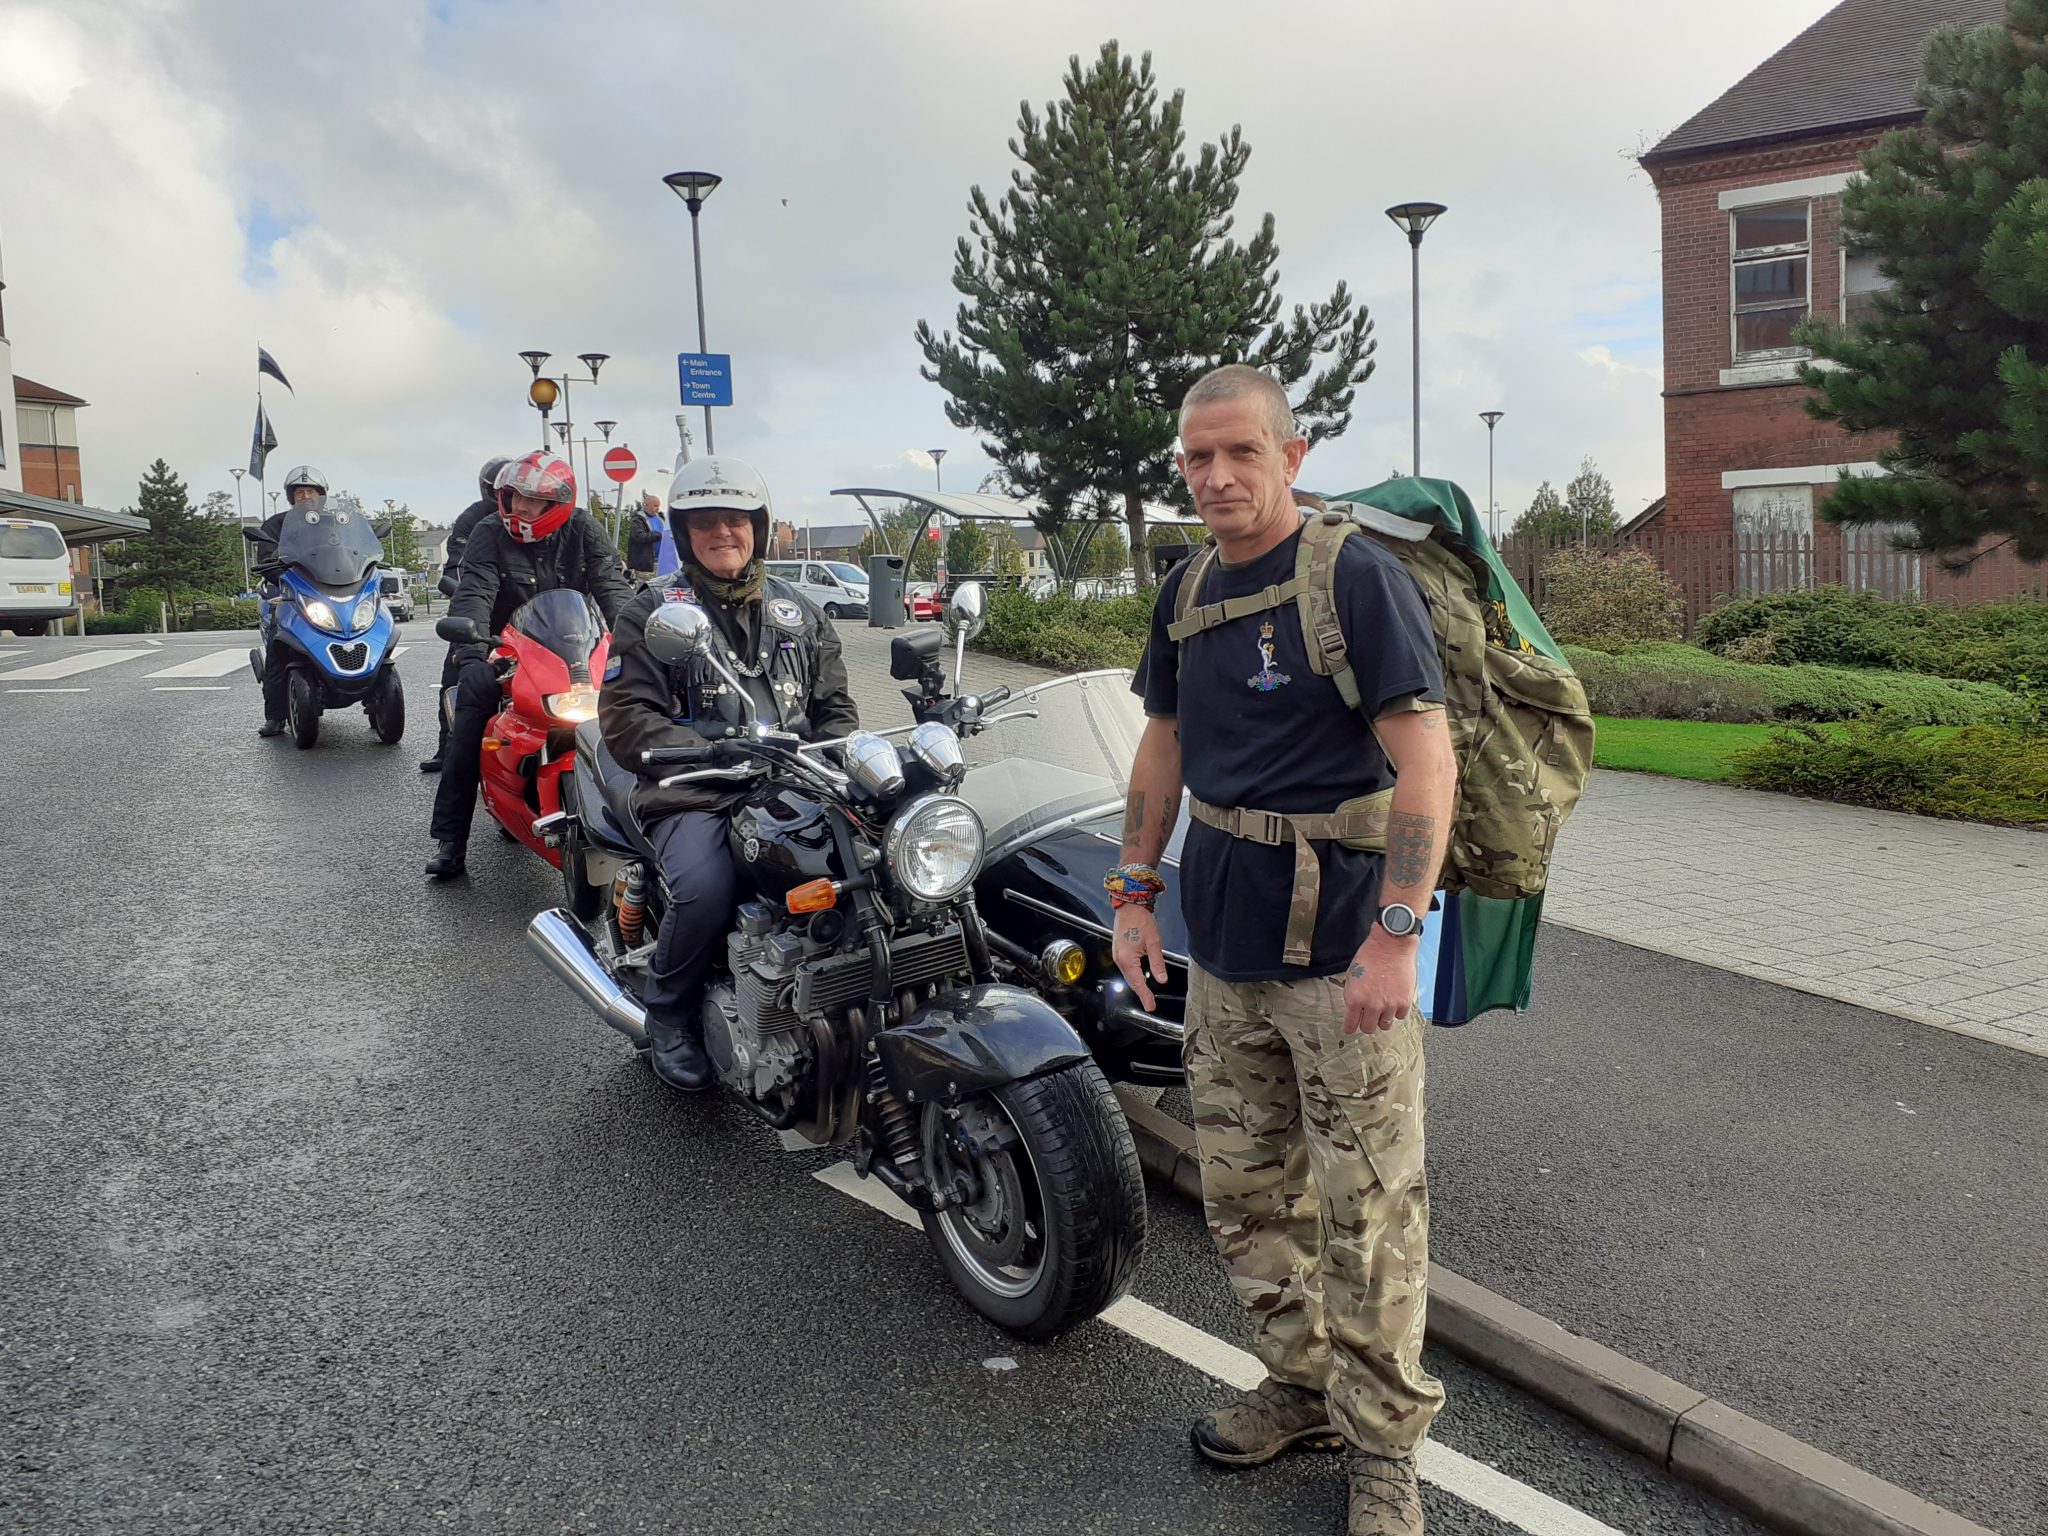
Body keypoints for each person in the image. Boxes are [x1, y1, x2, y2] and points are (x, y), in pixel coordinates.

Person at [1112, 366, 1458, 1536]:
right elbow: (1160, 746)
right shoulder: (1186, 588)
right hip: (1224, 944)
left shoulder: (1355, 577)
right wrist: (1132, 894)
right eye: (1196, 457)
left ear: (1290, 456)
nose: (1215, 477)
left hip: (1346, 953)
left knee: (1370, 1211)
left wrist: (1396, 939)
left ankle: (1383, 1450)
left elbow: (1426, 762)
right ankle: (1302, 1386)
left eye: (1239, 454)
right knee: (1248, 1193)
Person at [598, 456, 858, 1092]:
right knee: (706, 885)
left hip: (792, 783)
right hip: (693, 790)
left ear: (759, 528)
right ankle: (669, 1014)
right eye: (706, 522)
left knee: (870, 862)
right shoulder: (653, 612)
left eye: (735, 520)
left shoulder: (799, 611)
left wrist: (839, 758)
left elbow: (836, 710)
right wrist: (701, 747)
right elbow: (626, 717)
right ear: (684, 532)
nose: (723, 533)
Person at [426, 450, 633, 878]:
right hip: (503, 645)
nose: (518, 506)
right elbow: (476, 590)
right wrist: (472, 652)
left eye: (530, 500)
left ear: (556, 504)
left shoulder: (584, 529)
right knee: (470, 712)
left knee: (634, 712)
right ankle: (451, 840)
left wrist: (634, 645)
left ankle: (647, 822)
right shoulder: (488, 531)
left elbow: (612, 586)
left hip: (577, 647)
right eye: (512, 496)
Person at [420, 455, 512, 773]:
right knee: (455, 674)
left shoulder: (532, 516)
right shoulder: (471, 519)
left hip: (526, 614)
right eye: (499, 488)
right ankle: (448, 750)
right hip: (480, 614)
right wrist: (466, 598)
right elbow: (457, 566)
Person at [254, 466, 331, 738]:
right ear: (291, 496)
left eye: (311, 491)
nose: (306, 496)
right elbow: (266, 560)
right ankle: (275, 717)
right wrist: (283, 579)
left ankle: (377, 696)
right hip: (287, 592)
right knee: (279, 646)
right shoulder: (276, 525)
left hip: (329, 591)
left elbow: (355, 552)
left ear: (321, 495)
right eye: (300, 492)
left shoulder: (334, 522)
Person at [624, 502, 665, 582]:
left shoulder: (661, 518)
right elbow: (639, 536)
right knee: (644, 589)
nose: (658, 508)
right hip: (646, 565)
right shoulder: (637, 520)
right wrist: (659, 535)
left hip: (661, 562)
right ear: (646, 506)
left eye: (659, 505)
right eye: (655, 505)